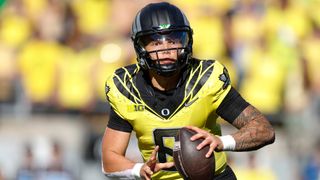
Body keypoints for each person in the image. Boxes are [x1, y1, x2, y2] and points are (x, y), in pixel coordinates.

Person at [101, 2, 275, 180]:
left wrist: (222, 142)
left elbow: (264, 130)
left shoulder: (205, 80)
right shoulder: (126, 88)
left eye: (173, 40)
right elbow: (110, 159)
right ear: (141, 47)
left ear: (186, 41)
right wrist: (139, 169)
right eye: (156, 43)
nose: (166, 49)